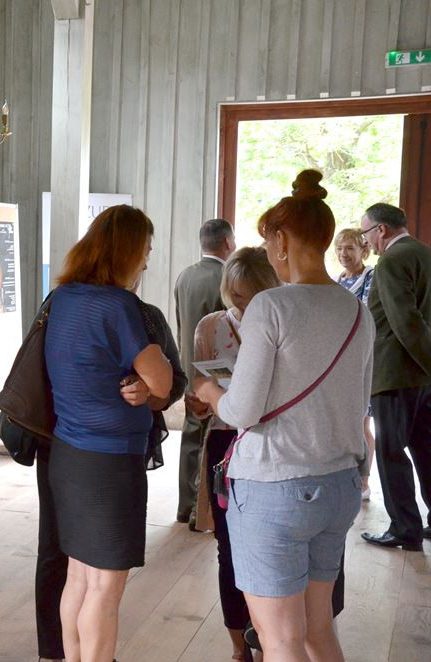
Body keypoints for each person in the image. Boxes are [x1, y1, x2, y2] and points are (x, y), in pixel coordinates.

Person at [194, 169, 374, 662]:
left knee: (279, 640)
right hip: (337, 482)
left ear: (281, 240)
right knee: (319, 632)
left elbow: (243, 410)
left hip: (274, 487)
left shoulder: (270, 306)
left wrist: (210, 392)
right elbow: (360, 403)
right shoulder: (358, 311)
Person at [34, 270, 186, 662]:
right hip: (107, 459)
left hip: (67, 451)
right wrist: (153, 385)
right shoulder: (123, 307)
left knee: (79, 577)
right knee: (102, 585)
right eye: (144, 253)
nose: (146, 265)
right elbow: (167, 380)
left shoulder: (61, 298)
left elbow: (165, 388)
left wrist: (147, 392)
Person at [191, 246, 281, 662]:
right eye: (236, 296)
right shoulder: (211, 326)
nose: (241, 306)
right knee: (227, 546)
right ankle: (238, 646)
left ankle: (268, 639)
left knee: (266, 547)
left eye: (248, 295)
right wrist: (200, 399)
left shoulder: (284, 320)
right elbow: (198, 388)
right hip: (226, 442)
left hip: (272, 442)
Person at [358, 203, 431, 551]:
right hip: (421, 378)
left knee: (390, 452)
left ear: (381, 230)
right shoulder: (424, 253)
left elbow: (406, 321)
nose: (367, 241)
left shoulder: (391, 260)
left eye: (366, 233)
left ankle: (405, 529)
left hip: (394, 374)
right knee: (425, 448)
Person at [174, 218, 236, 528]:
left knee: (190, 435)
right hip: (216, 373)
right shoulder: (227, 278)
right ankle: (206, 508)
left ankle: (185, 506)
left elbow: (181, 326)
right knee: (213, 438)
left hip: (187, 367)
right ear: (227, 243)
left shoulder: (185, 276)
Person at [333, 228, 377, 500]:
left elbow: (367, 315)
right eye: (339, 249)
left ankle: (364, 481)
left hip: (362, 358)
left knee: (362, 422)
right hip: (340, 361)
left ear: (363, 250)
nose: (343, 254)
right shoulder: (338, 280)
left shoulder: (371, 277)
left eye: (350, 248)